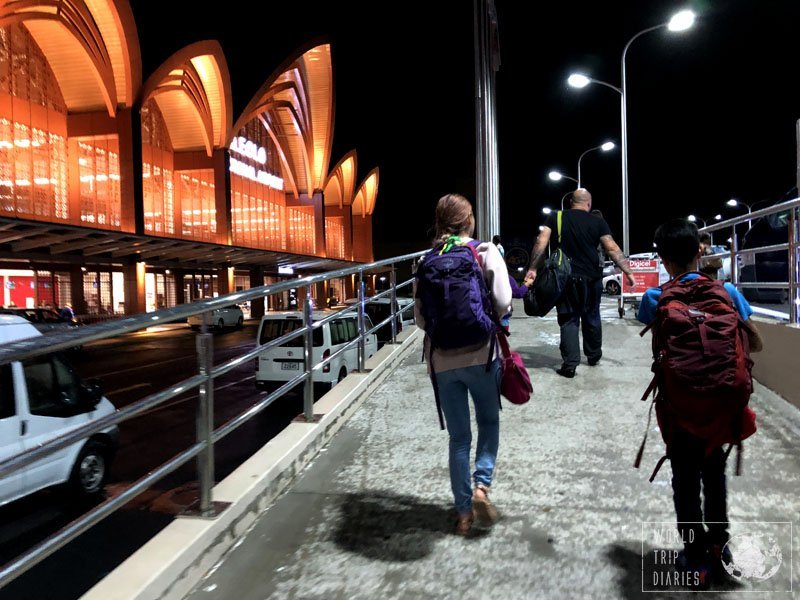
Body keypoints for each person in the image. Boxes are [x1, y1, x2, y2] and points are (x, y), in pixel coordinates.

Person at [637, 219, 763, 582]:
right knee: (714, 474)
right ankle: (719, 546)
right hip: (722, 403)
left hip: (680, 406)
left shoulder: (655, 298)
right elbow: (754, 344)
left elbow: (654, 337)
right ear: (700, 251)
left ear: (662, 257)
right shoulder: (728, 293)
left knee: (685, 481)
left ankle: (694, 557)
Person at [415, 193, 512, 536]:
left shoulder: (427, 259)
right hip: (482, 354)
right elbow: (502, 300)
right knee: (488, 421)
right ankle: (481, 486)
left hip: (442, 362)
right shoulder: (484, 251)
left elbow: (420, 318)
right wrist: (488, 320)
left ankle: (463, 515)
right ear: (469, 220)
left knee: (458, 439)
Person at [525, 188, 634, 377]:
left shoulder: (556, 217)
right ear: (589, 203)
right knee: (592, 316)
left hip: (565, 279)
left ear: (570, 203)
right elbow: (612, 248)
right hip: (592, 278)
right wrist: (628, 272)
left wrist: (533, 268)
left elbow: (540, 242)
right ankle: (593, 356)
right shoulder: (598, 221)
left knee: (569, 319)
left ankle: (570, 365)